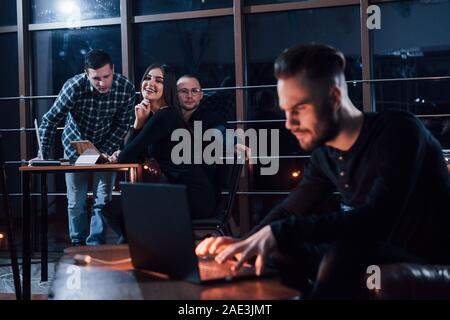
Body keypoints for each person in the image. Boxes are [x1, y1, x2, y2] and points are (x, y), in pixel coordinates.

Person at [196, 43, 450, 299]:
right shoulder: (325, 153)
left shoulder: (399, 131)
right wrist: (245, 243)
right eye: (285, 111)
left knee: (343, 251)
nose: (289, 123)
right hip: (370, 250)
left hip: (422, 255)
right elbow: (290, 209)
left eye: (299, 109)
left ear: (334, 97)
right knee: (275, 252)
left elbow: (376, 218)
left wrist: (278, 232)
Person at [104, 64, 218, 241]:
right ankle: (147, 248)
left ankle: (146, 249)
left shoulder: (164, 116)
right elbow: (137, 156)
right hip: (181, 193)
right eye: (148, 78)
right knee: (123, 211)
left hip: (193, 197)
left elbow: (127, 156)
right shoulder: (162, 115)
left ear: (168, 87)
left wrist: (138, 124)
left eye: (159, 80)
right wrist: (140, 123)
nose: (150, 83)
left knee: (115, 209)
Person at [39, 49, 135, 246]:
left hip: (107, 148)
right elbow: (49, 120)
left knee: (103, 200)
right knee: (76, 202)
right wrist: (42, 153)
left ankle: (95, 245)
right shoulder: (74, 86)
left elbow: (123, 124)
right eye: (96, 78)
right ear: (86, 74)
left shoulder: (125, 87)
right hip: (76, 148)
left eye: (106, 77)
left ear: (113, 70)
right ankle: (78, 244)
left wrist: (105, 151)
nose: (101, 83)